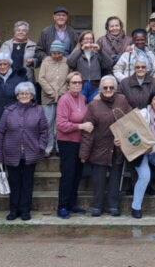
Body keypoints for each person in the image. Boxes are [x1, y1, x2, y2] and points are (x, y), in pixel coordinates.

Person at [0, 81, 48, 221]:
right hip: (11, 153)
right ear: (17, 96)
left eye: (27, 93)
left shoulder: (38, 111)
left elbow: (44, 131)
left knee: (27, 184)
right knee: (14, 183)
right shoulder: (8, 111)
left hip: (31, 153)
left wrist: (40, 147)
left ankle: (25, 210)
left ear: (32, 96)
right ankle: (13, 210)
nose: (24, 96)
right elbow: (0, 133)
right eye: (21, 94)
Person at [79, 75, 133, 217]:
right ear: (100, 89)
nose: (108, 89)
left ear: (115, 88)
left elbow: (131, 120)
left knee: (115, 179)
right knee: (99, 180)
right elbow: (87, 130)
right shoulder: (93, 105)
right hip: (99, 147)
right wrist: (84, 153)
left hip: (118, 148)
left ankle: (113, 205)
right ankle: (97, 205)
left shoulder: (122, 100)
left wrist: (124, 139)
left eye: (111, 87)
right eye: (105, 87)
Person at [55, 72, 93, 219]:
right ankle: (62, 206)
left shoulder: (83, 98)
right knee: (68, 175)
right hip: (67, 142)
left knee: (77, 175)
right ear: (68, 84)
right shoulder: (64, 100)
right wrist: (81, 127)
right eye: (74, 82)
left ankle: (72, 204)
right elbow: (61, 125)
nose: (77, 85)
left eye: (79, 82)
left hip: (80, 142)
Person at [38, 40, 70, 157]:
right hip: (48, 97)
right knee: (48, 123)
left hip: (63, 97)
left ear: (62, 53)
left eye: (59, 53)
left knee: (60, 124)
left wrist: (62, 92)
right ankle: (48, 147)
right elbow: (41, 78)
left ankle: (59, 147)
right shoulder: (45, 62)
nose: (56, 56)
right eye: (54, 53)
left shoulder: (67, 62)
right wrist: (51, 92)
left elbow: (69, 78)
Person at [67, 30, 112, 97]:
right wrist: (81, 50)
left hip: (95, 85)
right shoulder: (77, 53)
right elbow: (70, 63)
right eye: (86, 39)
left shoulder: (97, 54)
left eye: (91, 39)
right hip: (81, 84)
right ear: (81, 41)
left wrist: (100, 51)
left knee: (94, 105)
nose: (89, 41)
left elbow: (109, 64)